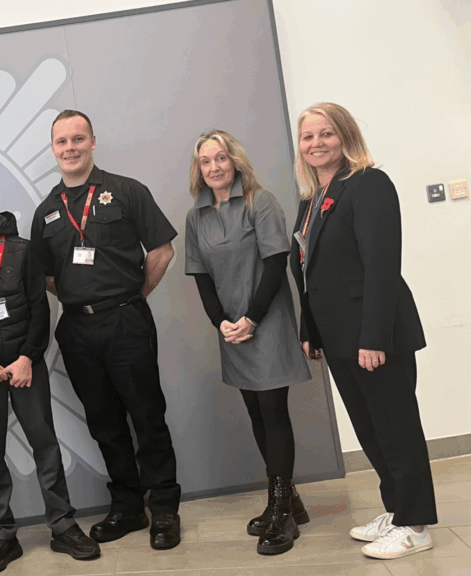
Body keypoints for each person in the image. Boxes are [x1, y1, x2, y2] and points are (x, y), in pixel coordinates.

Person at [30, 110, 183, 550]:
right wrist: (84, 299)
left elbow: (162, 250)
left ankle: (166, 509)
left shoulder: (126, 191)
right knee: (105, 423)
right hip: (78, 328)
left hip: (126, 320)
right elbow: (47, 277)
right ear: (53, 149)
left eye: (78, 139)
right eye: (62, 142)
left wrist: (132, 297)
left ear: (93, 142)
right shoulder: (46, 212)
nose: (70, 148)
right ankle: (129, 507)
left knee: (147, 416)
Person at [289, 102, 435, 560]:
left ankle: (416, 525)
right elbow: (309, 271)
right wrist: (309, 329)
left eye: (326, 133)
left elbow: (381, 264)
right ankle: (396, 510)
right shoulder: (313, 197)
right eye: (308, 136)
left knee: (396, 429)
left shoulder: (369, 183)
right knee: (371, 431)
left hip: (374, 337)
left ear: (345, 136)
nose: (316, 143)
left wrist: (374, 337)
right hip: (337, 339)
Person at [0, 167, 100, 572]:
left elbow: (40, 306)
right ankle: (1, 537)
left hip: (26, 364)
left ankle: (63, 527)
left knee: (45, 444)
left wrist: (28, 356)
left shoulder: (24, 249)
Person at [183, 131, 312, 555]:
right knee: (256, 411)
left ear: (236, 161)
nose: (215, 167)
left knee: (274, 412)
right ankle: (288, 497)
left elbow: (277, 262)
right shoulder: (196, 217)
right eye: (206, 161)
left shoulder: (261, 202)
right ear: (199, 169)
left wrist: (252, 317)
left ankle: (282, 512)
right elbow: (201, 276)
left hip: (266, 321)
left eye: (221, 158)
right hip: (232, 330)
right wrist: (221, 322)